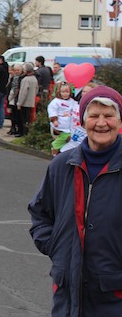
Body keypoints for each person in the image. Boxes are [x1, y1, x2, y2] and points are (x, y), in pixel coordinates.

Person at [28, 85, 122, 316]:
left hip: (115, 292)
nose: (101, 123)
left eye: (109, 116)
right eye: (94, 116)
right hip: (67, 287)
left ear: (120, 121)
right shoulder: (61, 165)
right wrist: (56, 247)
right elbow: (40, 213)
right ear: (82, 121)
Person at [47, 82, 77, 156]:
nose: (65, 94)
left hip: (69, 124)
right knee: (66, 136)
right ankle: (55, 145)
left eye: (67, 92)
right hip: (60, 123)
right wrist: (54, 120)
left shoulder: (72, 101)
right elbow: (52, 111)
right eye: (63, 92)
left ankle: (61, 150)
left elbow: (75, 108)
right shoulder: (56, 102)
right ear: (59, 92)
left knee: (69, 137)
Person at [16, 62, 38, 137]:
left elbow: (23, 92)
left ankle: (23, 133)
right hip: (31, 102)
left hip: (25, 103)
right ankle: (27, 133)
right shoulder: (34, 79)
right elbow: (36, 90)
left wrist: (19, 103)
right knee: (28, 119)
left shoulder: (25, 80)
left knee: (23, 119)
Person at [6, 64, 23, 136]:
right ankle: (13, 128)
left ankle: (17, 129)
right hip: (11, 99)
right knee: (12, 114)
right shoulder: (13, 78)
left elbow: (15, 90)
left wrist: (10, 97)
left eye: (18, 70)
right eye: (15, 70)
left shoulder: (20, 78)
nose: (16, 71)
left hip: (16, 99)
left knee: (17, 115)